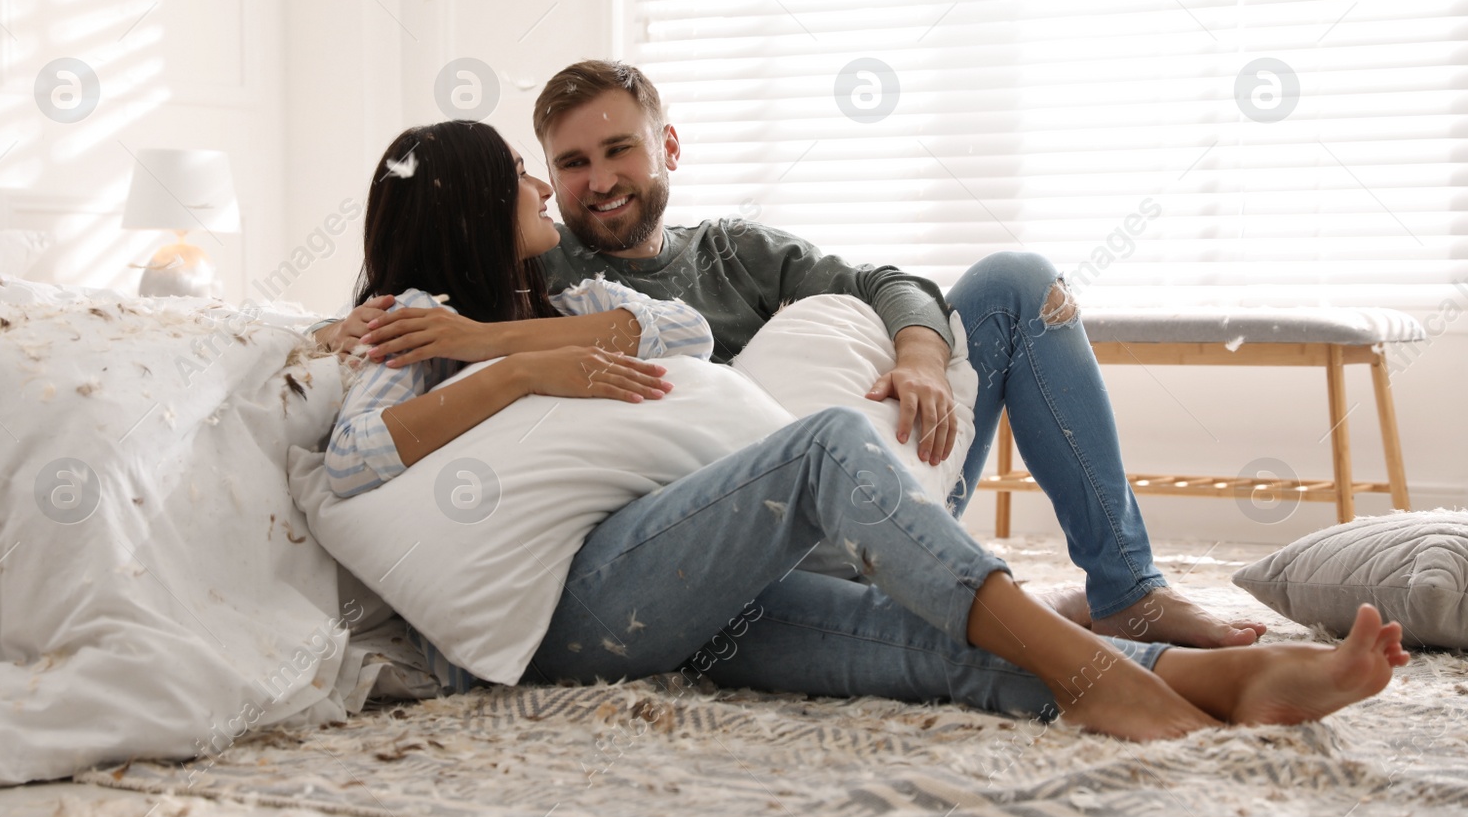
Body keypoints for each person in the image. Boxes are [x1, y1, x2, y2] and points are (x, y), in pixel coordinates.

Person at [318, 118, 1407, 742]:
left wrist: (513, 342)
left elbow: (681, 333)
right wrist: (504, 371)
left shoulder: (557, 307)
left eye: (603, 150)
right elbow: (358, 457)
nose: (547, 183)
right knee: (827, 444)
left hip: (685, 588)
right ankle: (1096, 670)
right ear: (472, 200)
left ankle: (1216, 681)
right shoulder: (409, 330)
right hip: (569, 610)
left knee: (916, 646)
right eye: (527, 167)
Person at [347, 61, 1261, 649]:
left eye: (617, 149)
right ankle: (1001, 607)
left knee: (1017, 279)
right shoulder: (544, 263)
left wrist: (921, 357)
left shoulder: (732, 251)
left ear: (666, 146)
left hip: (882, 469)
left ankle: (1126, 587)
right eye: (567, 162)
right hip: (736, 538)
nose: (592, 183)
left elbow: (884, 279)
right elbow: (424, 286)